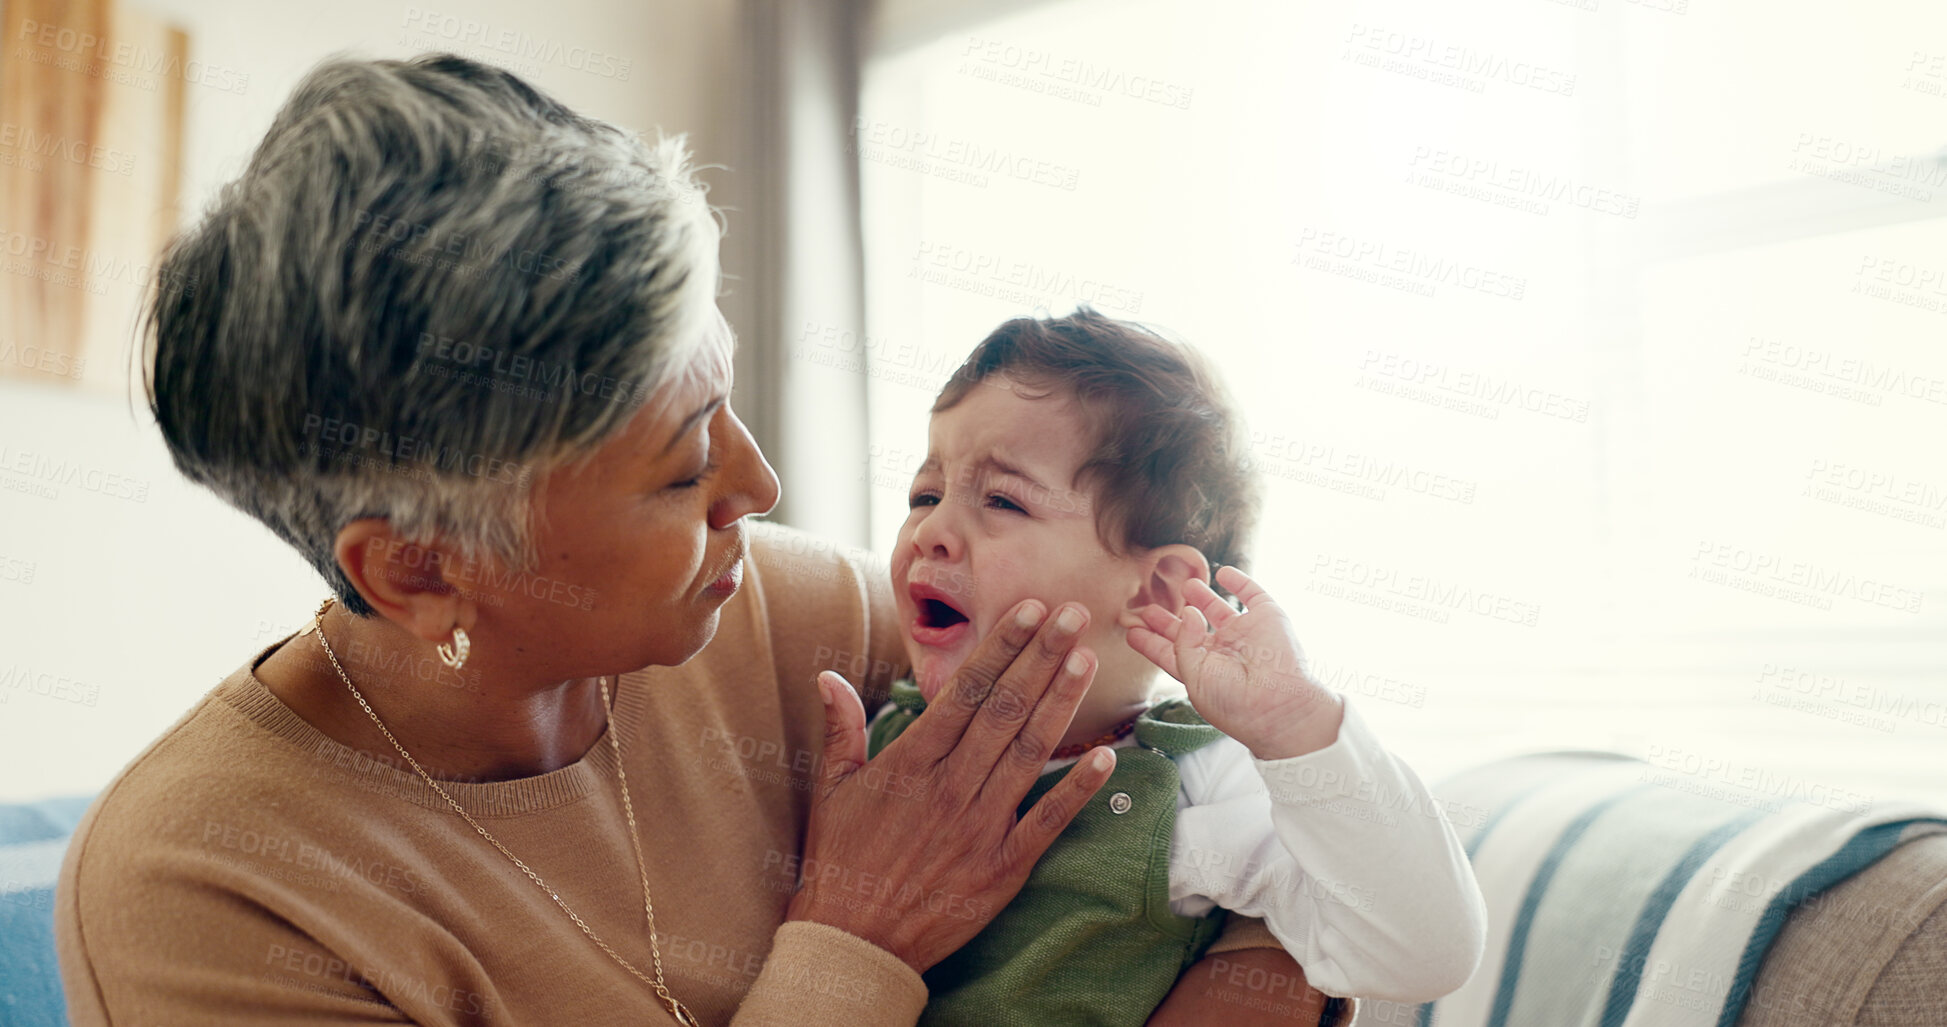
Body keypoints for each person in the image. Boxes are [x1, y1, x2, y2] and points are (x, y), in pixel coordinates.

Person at [50, 53, 1294, 1025]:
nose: (759, 483)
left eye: (728, 400)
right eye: (685, 460)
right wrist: (853, 946)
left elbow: (1269, 794)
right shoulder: (204, 894)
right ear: (421, 568)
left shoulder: (785, 612)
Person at [858, 309, 1489, 1024]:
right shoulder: (880, 729)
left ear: (1155, 591)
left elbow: (1421, 952)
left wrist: (1297, 725)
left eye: (1001, 499)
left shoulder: (1199, 782)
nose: (931, 531)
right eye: (925, 494)